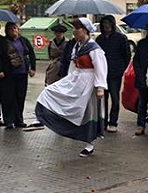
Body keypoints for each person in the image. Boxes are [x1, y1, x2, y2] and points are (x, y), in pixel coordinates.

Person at [35, 18, 108, 157]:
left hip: (89, 81)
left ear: (85, 30)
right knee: (50, 91)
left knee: (89, 112)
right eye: (74, 28)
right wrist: (68, 81)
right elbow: (73, 66)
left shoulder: (94, 48)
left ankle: (90, 144)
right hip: (77, 79)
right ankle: (44, 116)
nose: (74, 31)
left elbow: (100, 67)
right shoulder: (77, 46)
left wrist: (100, 87)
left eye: (77, 28)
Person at [95, 15, 131, 132]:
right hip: (102, 74)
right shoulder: (99, 39)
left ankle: (113, 122)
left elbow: (127, 56)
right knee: (102, 99)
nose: (106, 26)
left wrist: (121, 69)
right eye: (104, 24)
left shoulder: (121, 38)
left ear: (113, 25)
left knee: (115, 98)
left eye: (109, 24)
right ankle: (103, 122)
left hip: (115, 74)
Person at [1, 22, 36, 129]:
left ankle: (19, 119)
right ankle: (8, 120)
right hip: (9, 74)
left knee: (20, 97)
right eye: (11, 29)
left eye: (15, 28)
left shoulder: (23, 40)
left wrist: (32, 68)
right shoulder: (3, 42)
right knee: (9, 97)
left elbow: (31, 53)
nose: (14, 31)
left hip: (22, 72)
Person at [132, 22, 148, 136]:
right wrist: (139, 74)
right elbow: (136, 60)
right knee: (142, 102)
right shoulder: (141, 44)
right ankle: (140, 125)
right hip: (142, 77)